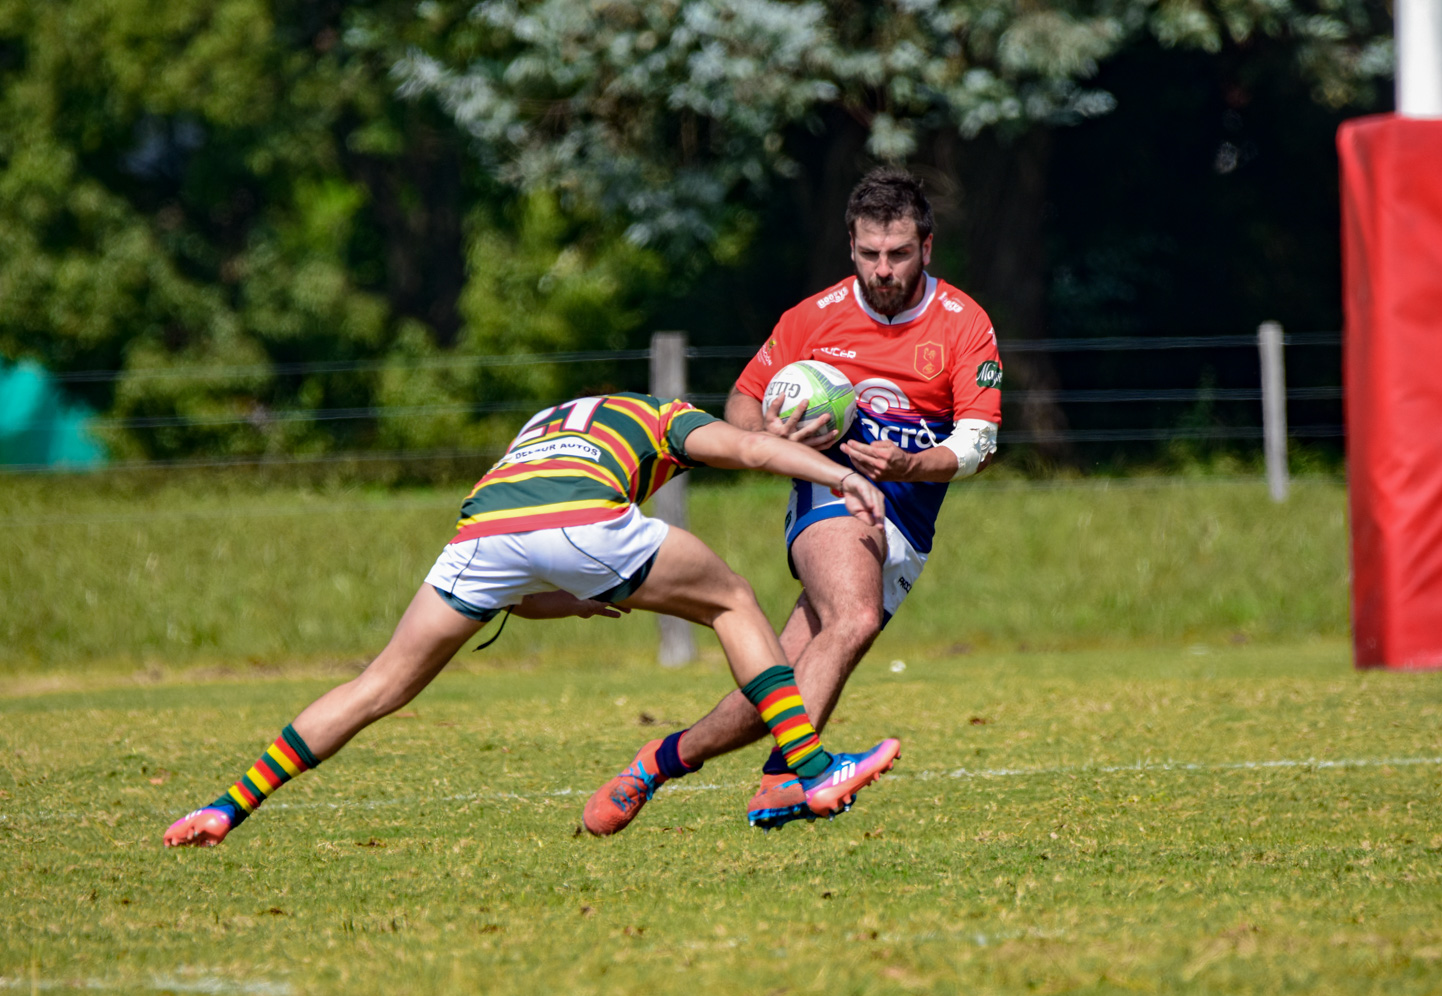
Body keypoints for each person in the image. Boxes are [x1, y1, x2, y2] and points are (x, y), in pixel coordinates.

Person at [162, 392, 901, 847]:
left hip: (480, 532)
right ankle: (810, 770)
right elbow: (743, 448)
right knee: (733, 599)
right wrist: (839, 473)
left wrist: (586, 596)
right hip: (586, 518)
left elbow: (522, 587)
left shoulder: (538, 427)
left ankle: (227, 807)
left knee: (376, 684)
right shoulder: (662, 417)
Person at [588, 166, 1002, 833]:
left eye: (898, 254)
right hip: (830, 490)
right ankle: (790, 779)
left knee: (773, 692)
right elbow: (742, 404)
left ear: (927, 247)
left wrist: (911, 464)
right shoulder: (813, 318)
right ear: (851, 248)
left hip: (909, 518)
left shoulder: (963, 323)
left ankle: (657, 762)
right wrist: (765, 436)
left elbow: (979, 442)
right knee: (856, 616)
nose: (883, 269)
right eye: (869, 254)